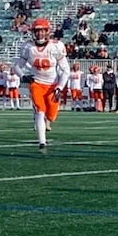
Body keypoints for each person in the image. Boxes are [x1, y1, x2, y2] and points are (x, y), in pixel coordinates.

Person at [12, 18, 70, 151]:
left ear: (47, 32)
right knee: (40, 110)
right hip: (36, 83)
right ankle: (42, 142)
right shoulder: (28, 47)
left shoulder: (56, 46)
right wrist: (23, 76)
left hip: (52, 85)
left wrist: (60, 87)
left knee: (51, 116)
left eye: (42, 31)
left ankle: (46, 124)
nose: (39, 34)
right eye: (37, 31)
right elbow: (16, 66)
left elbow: (66, 70)